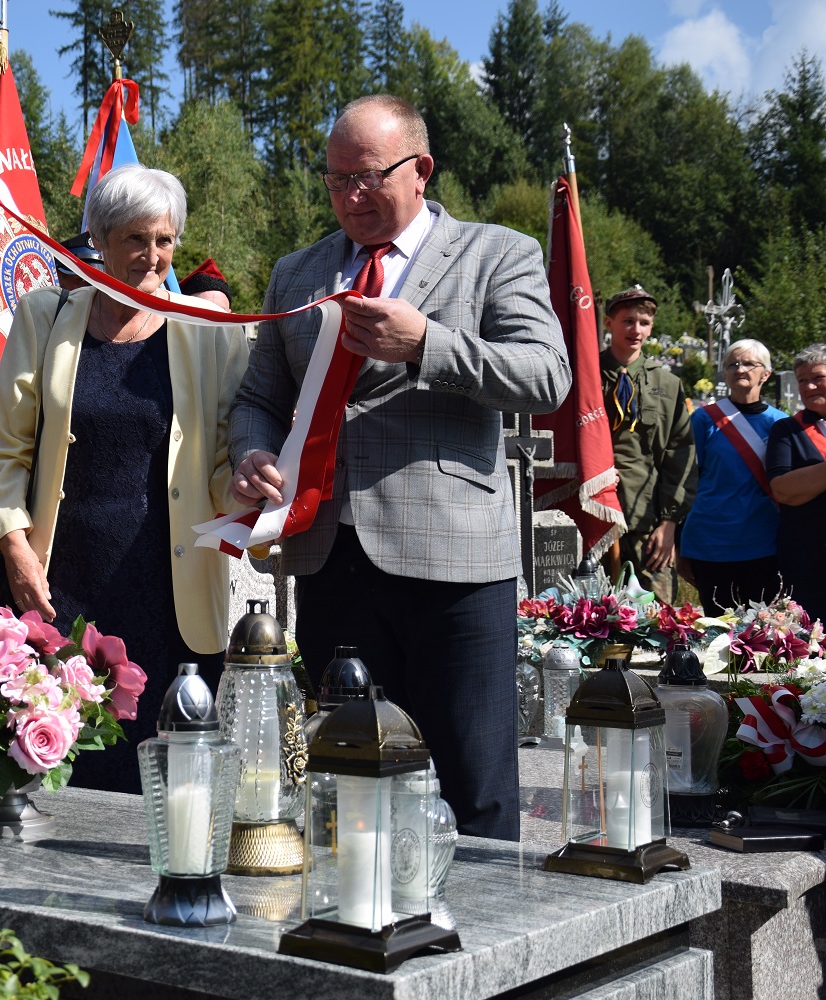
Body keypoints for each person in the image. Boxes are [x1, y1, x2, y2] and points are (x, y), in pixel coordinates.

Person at [229, 95, 569, 840]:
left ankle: (486, 919)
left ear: (421, 170)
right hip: (331, 562)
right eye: (335, 180)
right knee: (350, 785)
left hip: (456, 567)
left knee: (474, 789)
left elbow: (547, 376)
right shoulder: (297, 272)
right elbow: (258, 398)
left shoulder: (496, 254)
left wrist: (427, 345)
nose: (350, 197)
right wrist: (251, 452)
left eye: (368, 178)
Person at [0, 163, 250, 794]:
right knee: (63, 774)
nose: (152, 257)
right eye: (135, 239)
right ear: (99, 239)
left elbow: (224, 459)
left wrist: (247, 494)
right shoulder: (45, 317)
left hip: (171, 594)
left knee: (170, 781)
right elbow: (7, 449)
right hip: (64, 587)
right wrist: (14, 547)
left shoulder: (210, 331)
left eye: (165, 240)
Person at [599, 285, 695, 601]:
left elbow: (680, 454)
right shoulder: (585, 378)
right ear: (609, 323)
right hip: (593, 522)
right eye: (628, 321)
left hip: (648, 522)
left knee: (657, 617)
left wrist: (669, 523)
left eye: (644, 323)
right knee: (585, 618)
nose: (636, 330)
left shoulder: (667, 384)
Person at [678, 339, 787, 614]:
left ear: (765, 374)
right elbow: (687, 479)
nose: (739, 369)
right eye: (732, 365)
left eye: (749, 363)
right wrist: (680, 542)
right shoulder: (704, 420)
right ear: (725, 374)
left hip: (763, 542)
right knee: (717, 628)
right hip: (711, 540)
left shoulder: (780, 424)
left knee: (763, 628)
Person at [767, 343, 826, 620]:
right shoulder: (787, 431)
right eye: (802, 380)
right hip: (809, 557)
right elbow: (783, 490)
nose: (809, 387)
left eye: (818, 377)